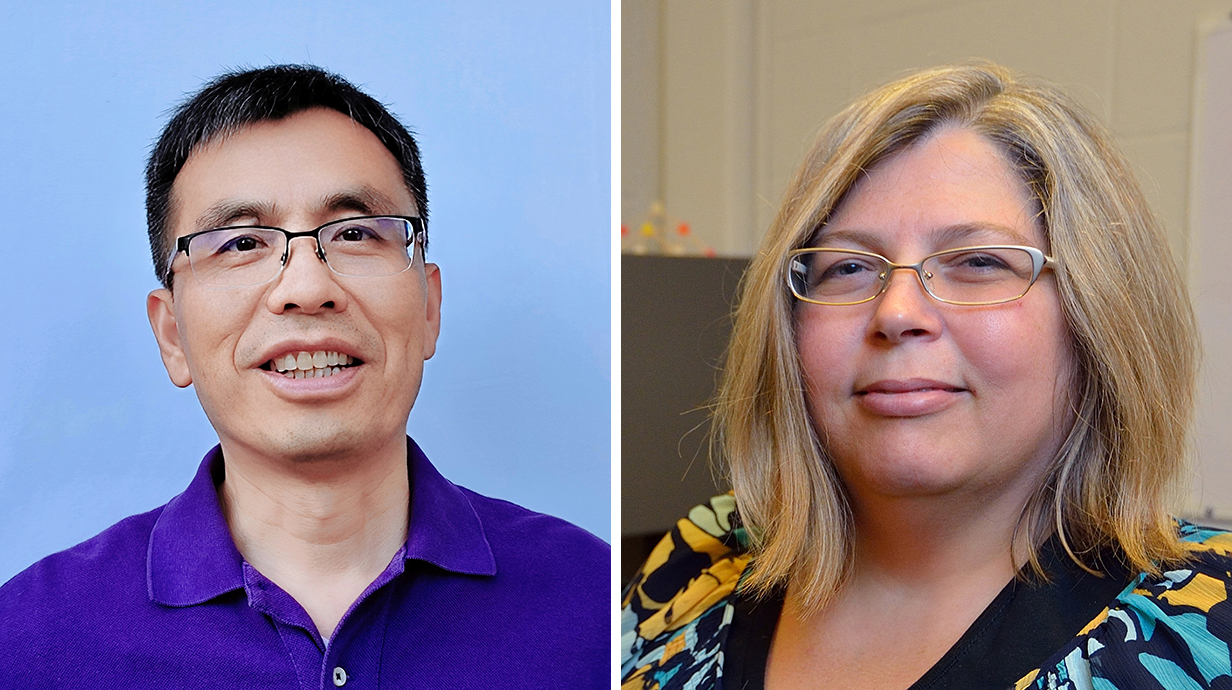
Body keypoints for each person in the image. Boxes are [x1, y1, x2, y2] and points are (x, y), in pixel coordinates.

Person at [621, 63, 1232, 690]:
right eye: (848, 267)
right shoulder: (700, 565)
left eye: (977, 261)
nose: (897, 312)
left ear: (1098, 313)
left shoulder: (1208, 630)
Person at [0, 65, 608, 688]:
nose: (307, 287)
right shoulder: (31, 638)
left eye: (353, 233)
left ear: (429, 309)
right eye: (240, 244)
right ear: (172, 335)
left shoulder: (596, 605)